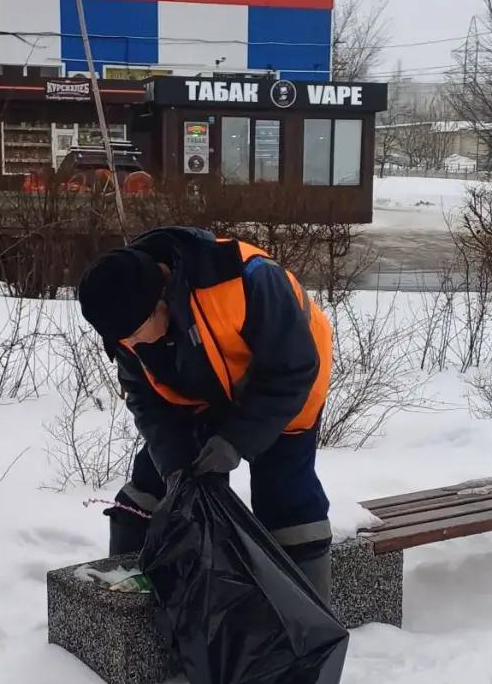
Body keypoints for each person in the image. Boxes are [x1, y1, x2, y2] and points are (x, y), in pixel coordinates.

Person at [76, 226, 335, 602]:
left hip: (287, 387)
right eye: (121, 341)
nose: (129, 346)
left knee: (286, 496)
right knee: (154, 490)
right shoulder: (124, 316)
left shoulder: (248, 280)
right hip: (201, 392)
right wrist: (174, 463)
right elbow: (147, 403)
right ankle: (134, 609)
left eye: (134, 334)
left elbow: (293, 368)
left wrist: (236, 440)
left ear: (159, 300)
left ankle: (307, 625)